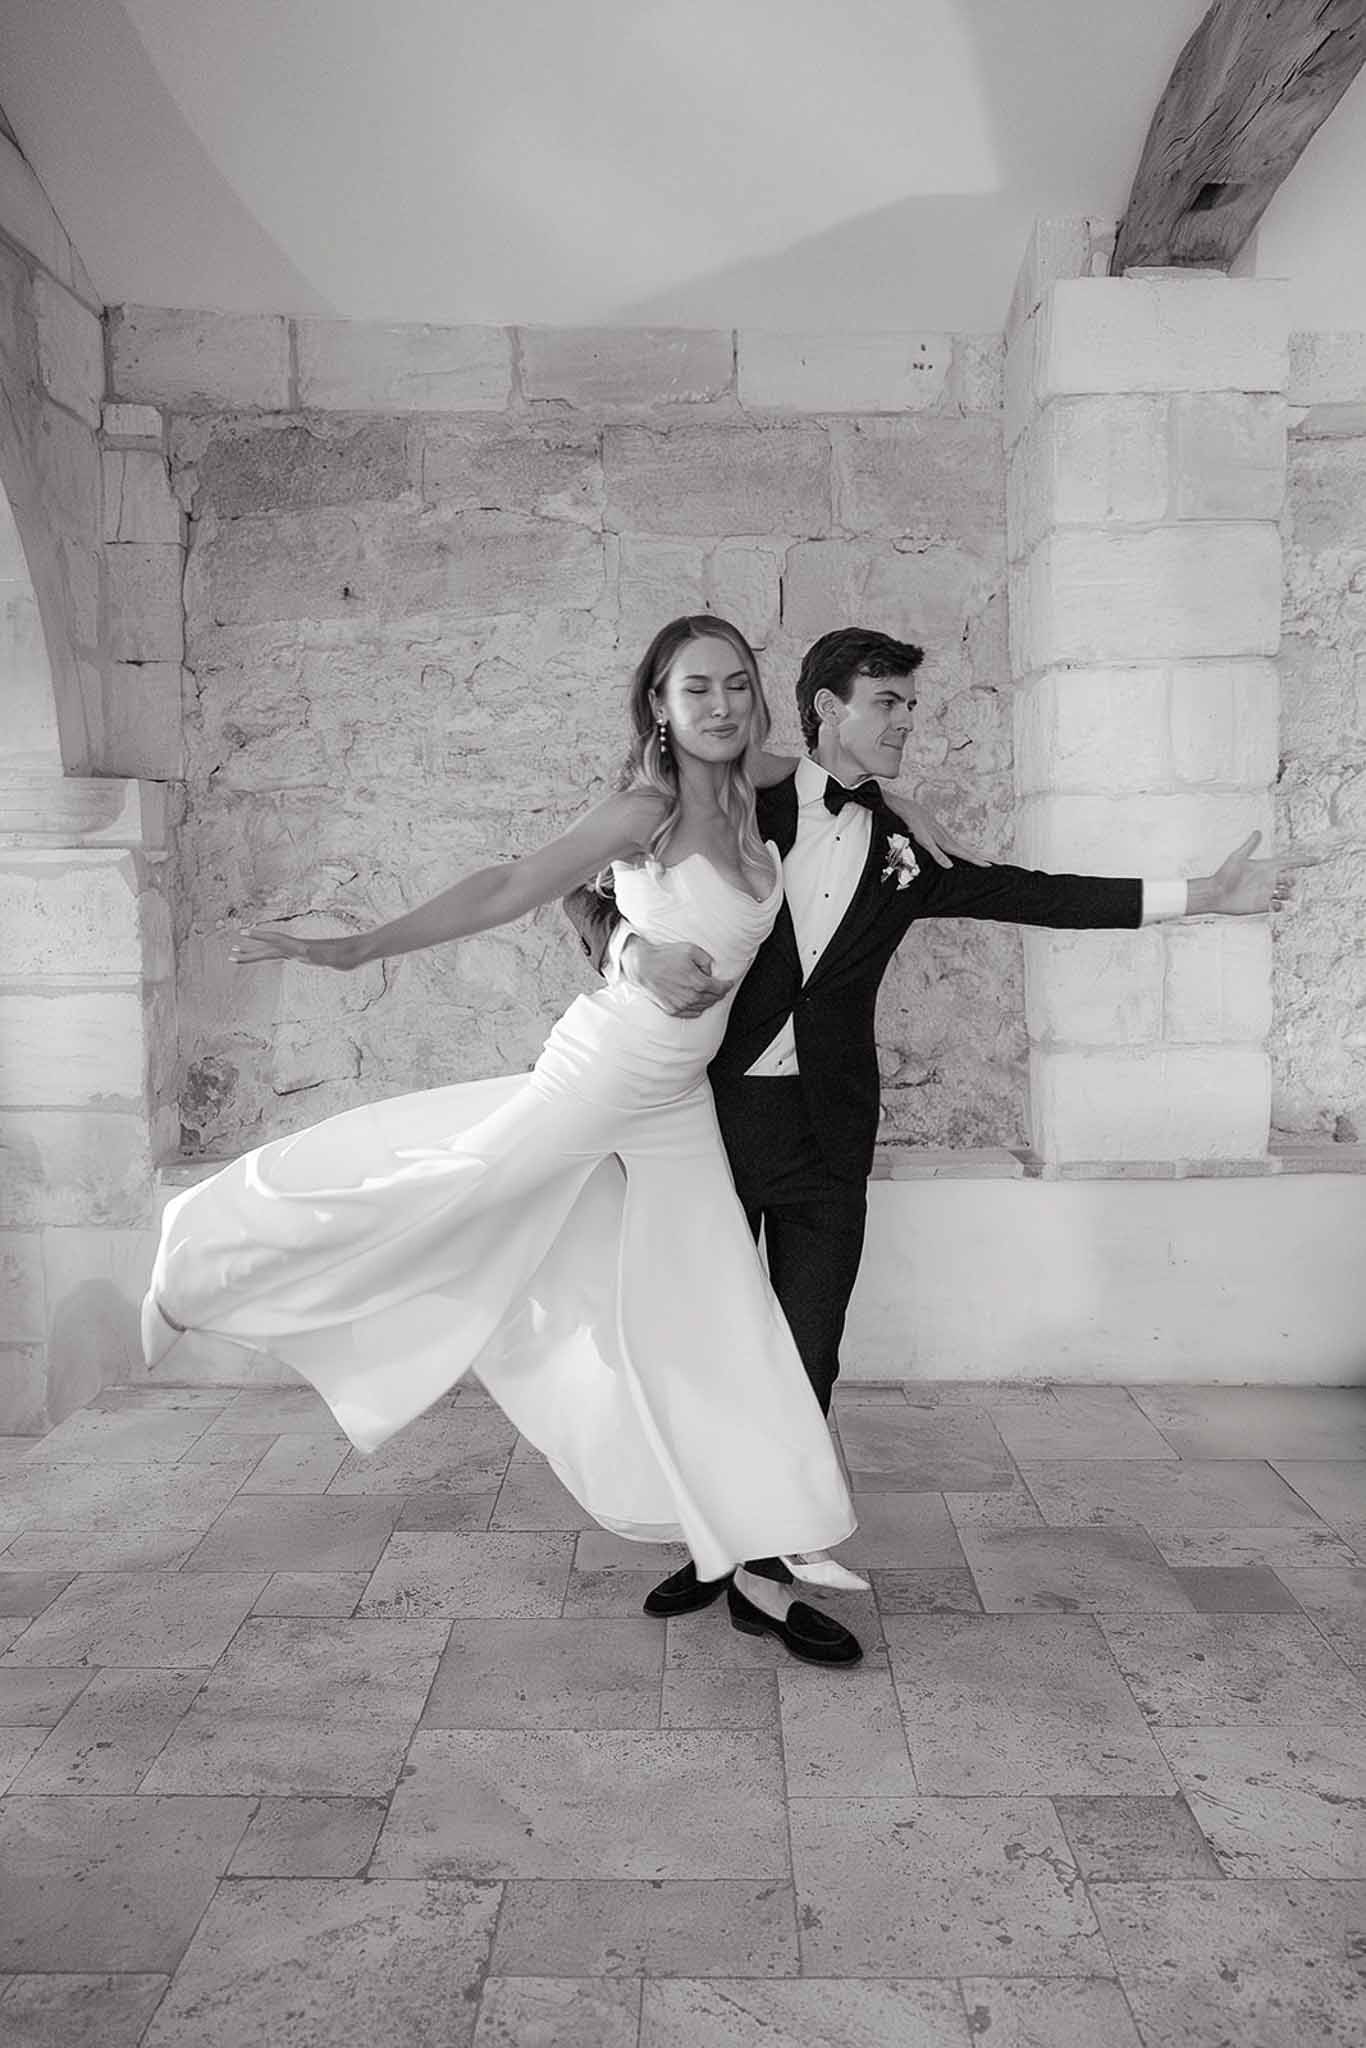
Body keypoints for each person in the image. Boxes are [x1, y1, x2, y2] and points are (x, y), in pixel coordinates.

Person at [146, 616, 935, 1668]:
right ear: (659, 705)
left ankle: (754, 1550)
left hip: (678, 1099)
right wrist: (357, 949)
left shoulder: (760, 788)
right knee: (452, 1191)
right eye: (695, 688)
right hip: (606, 1067)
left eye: (737, 685)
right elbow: (515, 884)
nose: (720, 705)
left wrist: (909, 811)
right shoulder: (647, 809)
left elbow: (851, 788)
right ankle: (204, 1256)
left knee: (714, 1313)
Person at [565, 624, 1307, 1651]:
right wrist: (631, 952)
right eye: (889, 702)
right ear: (827, 708)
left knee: (807, 1350)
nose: (908, 721)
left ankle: (761, 1574)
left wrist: (1202, 898)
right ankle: (713, 1540)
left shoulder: (903, 849)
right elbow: (584, 890)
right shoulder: (736, 795)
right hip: (709, 1122)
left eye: (911, 705)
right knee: (701, 1346)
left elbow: (1030, 892)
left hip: (828, 1135)